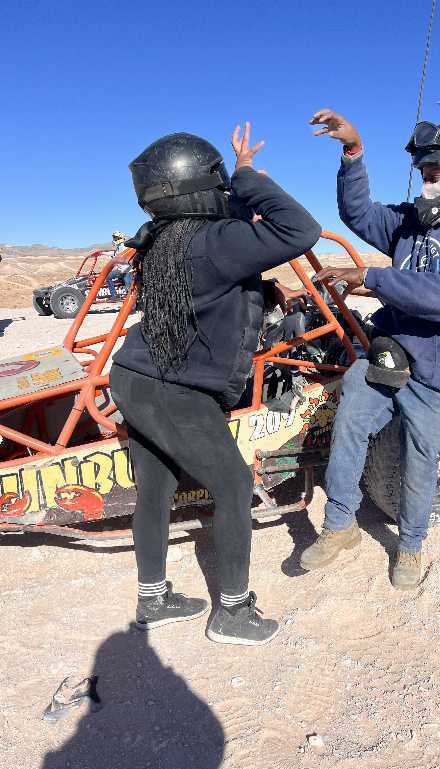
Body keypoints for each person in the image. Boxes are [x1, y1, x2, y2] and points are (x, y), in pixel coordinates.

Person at [110, 124, 321, 643]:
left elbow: (213, 283)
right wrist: (247, 175)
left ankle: (154, 599)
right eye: (220, 181)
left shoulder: (164, 240)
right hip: (174, 390)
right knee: (232, 485)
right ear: (206, 184)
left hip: (135, 378)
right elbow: (301, 229)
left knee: (156, 489)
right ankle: (232, 613)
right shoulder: (218, 241)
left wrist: (261, 292)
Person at [300, 109, 440, 589]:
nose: (425, 177)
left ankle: (411, 545)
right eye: (423, 170)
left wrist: (374, 278)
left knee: (419, 461)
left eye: (436, 170)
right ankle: (340, 525)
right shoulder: (411, 223)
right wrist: (353, 152)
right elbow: (358, 213)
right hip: (390, 356)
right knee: (349, 422)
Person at [106, 230, 133, 299]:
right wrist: (104, 253)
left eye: (115, 238)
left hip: (127, 271)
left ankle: (132, 303)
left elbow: (122, 256)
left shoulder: (123, 247)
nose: (114, 240)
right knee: (108, 277)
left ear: (120, 238)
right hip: (121, 270)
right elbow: (115, 253)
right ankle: (114, 295)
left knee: (128, 285)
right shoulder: (119, 247)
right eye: (114, 238)